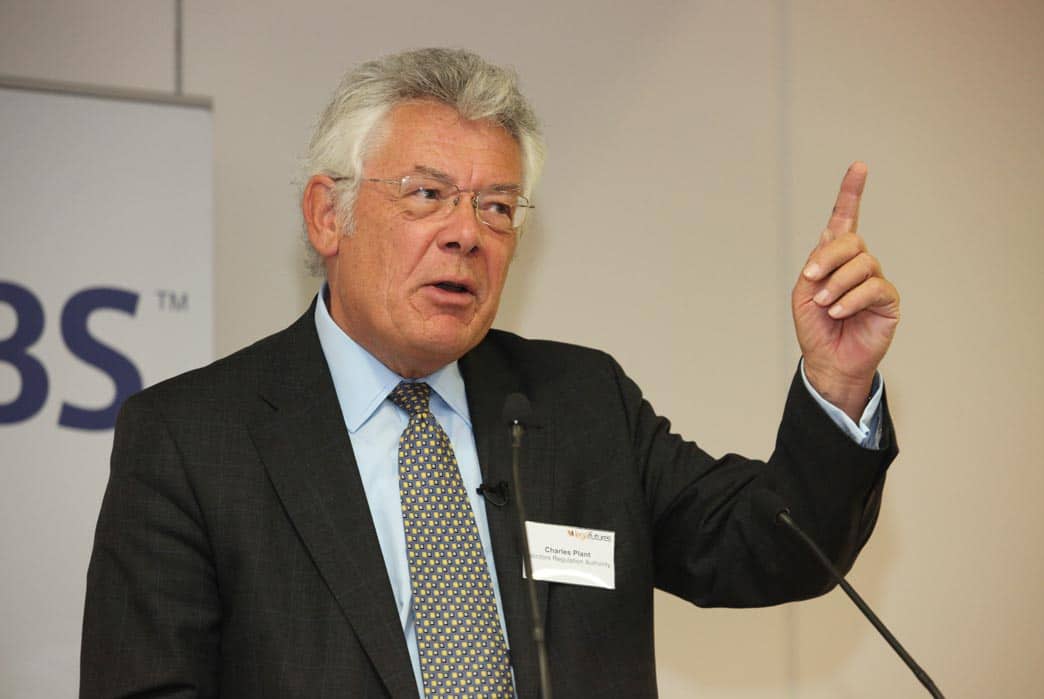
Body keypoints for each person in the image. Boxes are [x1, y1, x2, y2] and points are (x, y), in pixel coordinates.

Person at [81, 48, 900, 698]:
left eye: (497, 207)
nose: (466, 234)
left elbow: (776, 546)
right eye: (426, 194)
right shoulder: (194, 438)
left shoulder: (580, 405)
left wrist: (836, 382)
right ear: (328, 215)